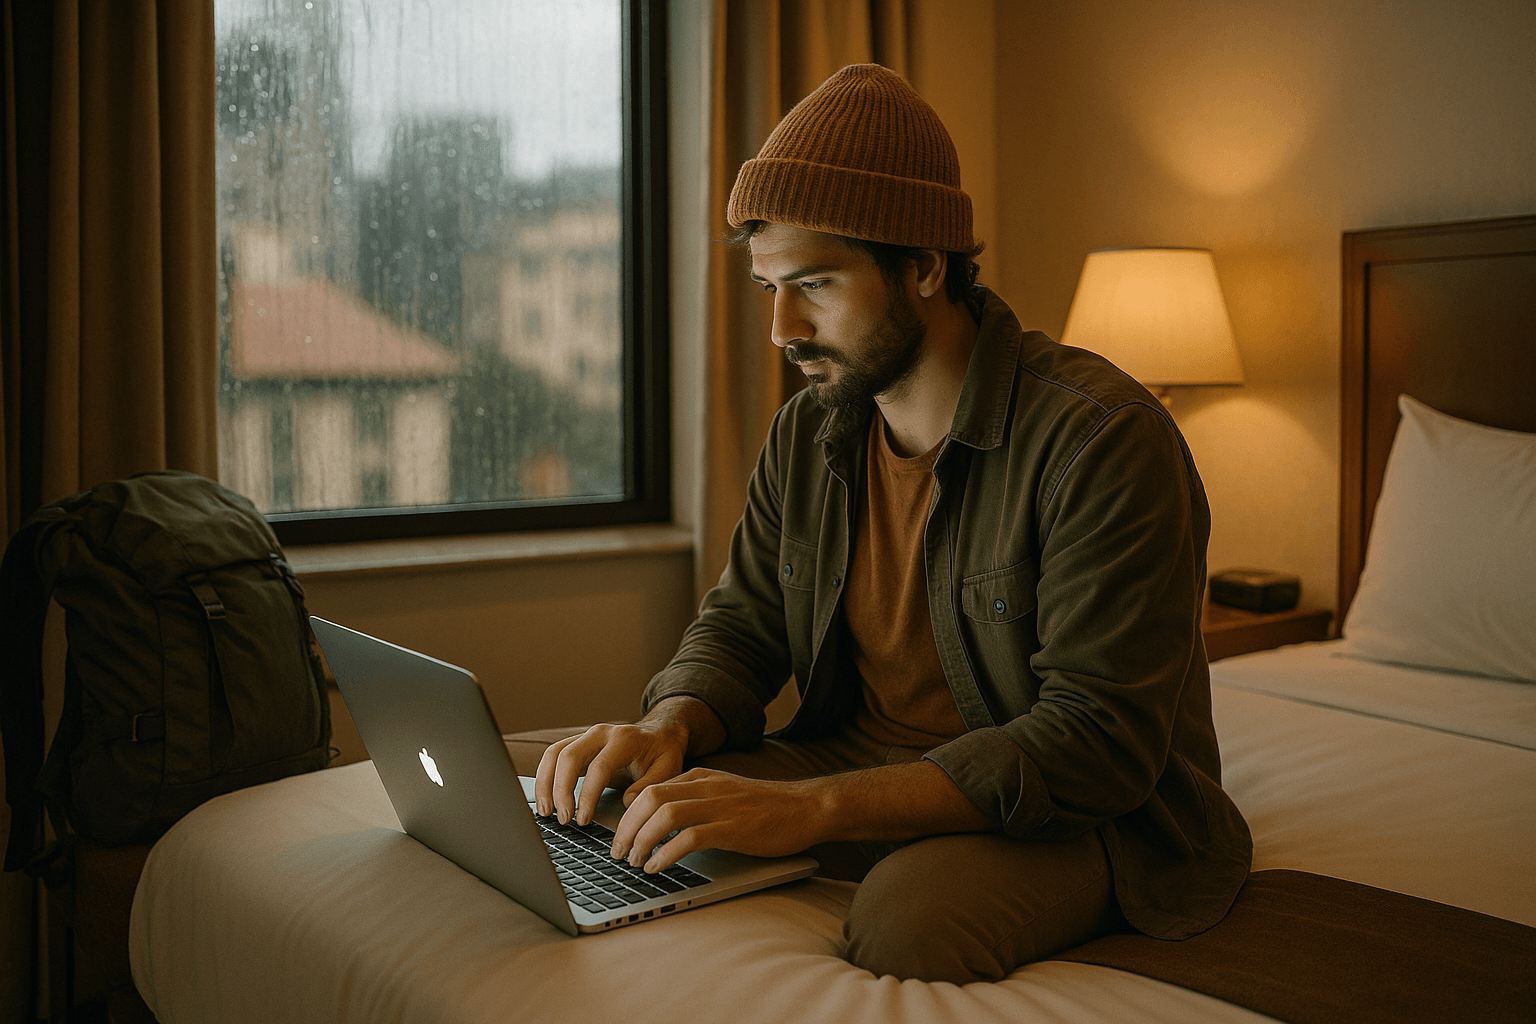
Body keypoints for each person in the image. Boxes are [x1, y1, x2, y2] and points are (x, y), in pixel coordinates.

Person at [534, 63, 1251, 984]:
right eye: (768, 288)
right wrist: (671, 722)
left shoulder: (1104, 440)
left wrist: (815, 811)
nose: (782, 326)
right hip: (854, 757)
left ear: (923, 266)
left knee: (910, 921)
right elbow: (744, 627)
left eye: (817, 284)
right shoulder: (810, 429)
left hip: (1084, 812)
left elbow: (1096, 744)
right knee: (556, 781)